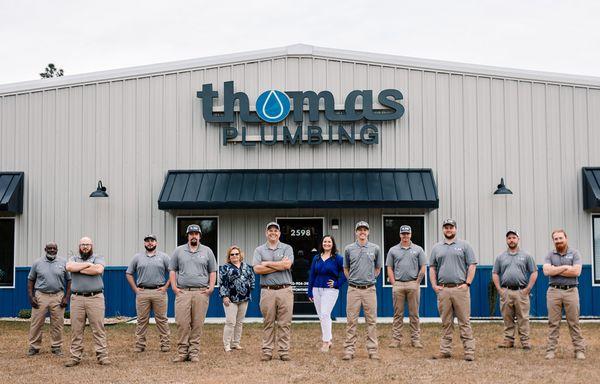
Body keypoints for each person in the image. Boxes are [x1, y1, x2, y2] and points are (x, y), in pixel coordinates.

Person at [429, 219, 477, 361]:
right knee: (446, 322)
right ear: (443, 230)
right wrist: (434, 285)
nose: (448, 230)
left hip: (460, 289)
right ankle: (445, 351)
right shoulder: (437, 248)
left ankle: (469, 351)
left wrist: (467, 283)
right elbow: (432, 267)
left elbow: (472, 265)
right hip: (443, 290)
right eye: (446, 227)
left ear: (455, 229)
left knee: (464, 321)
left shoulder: (464, 245)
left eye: (451, 227)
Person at [169, 224, 217, 363]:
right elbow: (172, 269)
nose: (194, 236)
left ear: (200, 236)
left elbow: (212, 271)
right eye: (191, 234)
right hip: (183, 292)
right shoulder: (179, 251)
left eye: (196, 234)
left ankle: (194, 352)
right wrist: (174, 287)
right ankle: (182, 353)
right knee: (182, 323)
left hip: (201, 292)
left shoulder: (207, 251)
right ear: (188, 236)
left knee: (197, 324)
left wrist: (211, 287)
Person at [64, 237, 109, 367]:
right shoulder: (73, 258)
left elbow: (98, 270)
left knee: (98, 328)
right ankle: (75, 357)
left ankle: (102, 356)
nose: (85, 247)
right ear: (79, 246)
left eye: (87, 245)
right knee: (76, 329)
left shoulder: (98, 257)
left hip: (95, 298)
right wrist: (88, 265)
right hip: (77, 298)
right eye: (83, 244)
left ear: (91, 246)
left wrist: (78, 269)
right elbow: (69, 267)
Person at [253, 221, 294, 361]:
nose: (273, 233)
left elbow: (287, 265)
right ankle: (267, 351)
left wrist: (267, 263)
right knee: (268, 322)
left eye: (275, 231)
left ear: (279, 233)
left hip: (285, 290)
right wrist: (279, 265)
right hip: (267, 291)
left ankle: (284, 352)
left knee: (285, 323)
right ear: (266, 233)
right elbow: (257, 269)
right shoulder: (259, 250)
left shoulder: (287, 248)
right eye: (270, 230)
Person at [542, 229, 586, 360]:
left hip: (571, 291)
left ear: (566, 238)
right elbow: (546, 271)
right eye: (556, 239)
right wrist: (566, 267)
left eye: (561, 238)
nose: (559, 241)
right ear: (553, 241)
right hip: (553, 291)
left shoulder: (575, 253)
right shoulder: (550, 254)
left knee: (574, 322)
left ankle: (579, 350)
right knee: (553, 323)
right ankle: (550, 351)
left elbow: (576, 272)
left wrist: (555, 270)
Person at [342, 221, 381, 361]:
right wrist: (352, 280)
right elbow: (345, 268)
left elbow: (378, 268)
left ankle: (372, 350)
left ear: (368, 232)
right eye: (360, 230)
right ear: (356, 232)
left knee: (371, 321)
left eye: (365, 230)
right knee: (351, 321)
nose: (362, 232)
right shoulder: (349, 249)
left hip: (369, 290)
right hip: (353, 290)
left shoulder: (375, 248)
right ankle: (349, 350)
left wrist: (369, 279)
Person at [492, 230, 538, 350]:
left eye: (513, 237)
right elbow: (495, 273)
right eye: (509, 238)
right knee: (507, 317)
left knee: (523, 318)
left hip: (521, 292)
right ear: (506, 240)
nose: (511, 240)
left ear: (518, 239)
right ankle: (508, 340)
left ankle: (525, 341)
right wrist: (499, 289)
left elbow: (534, 272)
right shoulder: (501, 257)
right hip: (506, 292)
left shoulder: (526, 256)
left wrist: (528, 289)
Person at [125, 234, 171, 353]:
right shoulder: (137, 257)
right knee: (141, 320)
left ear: (156, 243)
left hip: (159, 292)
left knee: (161, 319)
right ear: (144, 243)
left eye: (152, 241)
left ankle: (165, 344)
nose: (150, 243)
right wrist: (135, 289)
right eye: (147, 241)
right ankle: (140, 345)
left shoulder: (164, 257)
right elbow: (128, 273)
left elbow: (173, 272)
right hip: (142, 292)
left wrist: (166, 287)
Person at [27, 242, 71, 356]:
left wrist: (66, 297)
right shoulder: (37, 263)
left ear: (57, 250)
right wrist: (31, 296)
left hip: (58, 296)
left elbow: (70, 280)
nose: (52, 250)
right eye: (49, 248)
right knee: (36, 322)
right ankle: (34, 347)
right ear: (45, 249)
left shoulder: (63, 262)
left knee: (57, 323)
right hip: (41, 295)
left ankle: (56, 347)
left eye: (54, 248)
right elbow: (31, 280)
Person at [386, 225, 426, 349]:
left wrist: (417, 282)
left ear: (411, 234)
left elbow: (423, 266)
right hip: (398, 284)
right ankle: (396, 340)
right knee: (398, 314)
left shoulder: (418, 249)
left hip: (412, 284)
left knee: (414, 314)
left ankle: (416, 340)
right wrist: (393, 283)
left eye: (407, 234)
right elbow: (389, 267)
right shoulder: (393, 250)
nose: (405, 236)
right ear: (400, 235)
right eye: (403, 234)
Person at [307, 235, 346, 353]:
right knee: (322, 316)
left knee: (324, 314)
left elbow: (345, 273)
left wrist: (337, 283)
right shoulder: (317, 258)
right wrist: (310, 291)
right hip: (316, 289)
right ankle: (329, 340)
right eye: (325, 241)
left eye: (329, 242)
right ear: (322, 244)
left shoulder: (338, 258)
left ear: (333, 244)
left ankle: (325, 342)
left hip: (330, 290)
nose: (327, 244)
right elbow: (312, 274)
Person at [219, 245, 255, 352]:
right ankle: (227, 345)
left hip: (244, 299)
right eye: (232, 254)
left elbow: (252, 278)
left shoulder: (247, 267)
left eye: (236, 254)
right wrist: (224, 296)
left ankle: (236, 343)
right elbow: (222, 283)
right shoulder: (225, 268)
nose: (234, 256)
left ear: (240, 255)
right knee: (230, 322)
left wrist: (249, 289)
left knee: (239, 322)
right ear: (229, 256)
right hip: (230, 299)